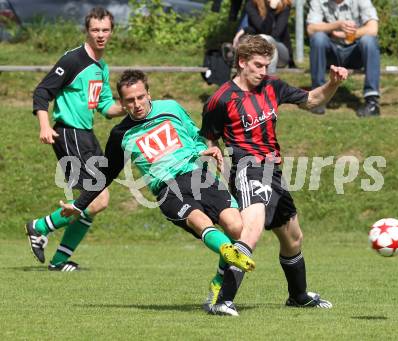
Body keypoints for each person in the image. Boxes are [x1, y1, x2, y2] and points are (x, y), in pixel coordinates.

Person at [60, 70, 256, 315]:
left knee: (237, 228)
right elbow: (104, 175)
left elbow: (195, 135)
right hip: (167, 189)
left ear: (148, 93)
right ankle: (227, 254)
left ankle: (218, 281)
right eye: (130, 101)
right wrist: (79, 204)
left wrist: (207, 150)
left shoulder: (171, 108)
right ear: (122, 103)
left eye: (140, 97)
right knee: (200, 222)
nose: (137, 104)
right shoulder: (121, 134)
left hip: (198, 176)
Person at [200, 35, 348, 314]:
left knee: (293, 237)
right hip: (245, 167)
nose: (263, 71)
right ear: (242, 62)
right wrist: (214, 154)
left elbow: (312, 100)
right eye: (258, 65)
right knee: (251, 227)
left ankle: (298, 296)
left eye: (267, 65)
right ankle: (222, 299)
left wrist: (333, 84)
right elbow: (208, 138)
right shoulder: (221, 99)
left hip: (273, 170)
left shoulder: (273, 86)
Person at [25, 7, 125, 271]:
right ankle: (40, 227)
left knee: (97, 201)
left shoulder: (101, 67)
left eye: (105, 30)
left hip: (87, 135)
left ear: (111, 31)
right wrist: (44, 125)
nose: (100, 35)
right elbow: (42, 91)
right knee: (97, 198)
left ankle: (57, 257)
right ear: (87, 31)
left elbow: (105, 107)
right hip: (69, 133)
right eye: (95, 30)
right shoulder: (73, 60)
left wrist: (128, 106)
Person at [306, 0, 381, 116]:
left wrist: (348, 34)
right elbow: (311, 29)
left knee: (369, 40)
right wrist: (337, 25)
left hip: (355, 53)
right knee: (318, 38)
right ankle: (318, 98)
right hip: (331, 54)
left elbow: (373, 29)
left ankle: (372, 101)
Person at [233, 0, 296, 69]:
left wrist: (272, 9)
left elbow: (274, 34)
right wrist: (246, 30)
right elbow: (259, 28)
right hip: (259, 51)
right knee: (249, 40)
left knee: (265, 38)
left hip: (280, 53)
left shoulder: (284, 5)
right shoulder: (251, 4)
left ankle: (269, 76)